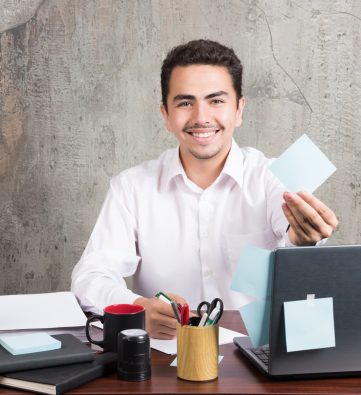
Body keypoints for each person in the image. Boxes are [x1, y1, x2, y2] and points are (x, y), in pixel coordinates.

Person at [71, 40, 338, 339]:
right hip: (163, 358)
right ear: (166, 115)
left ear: (239, 110)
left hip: (256, 352)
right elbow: (90, 276)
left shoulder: (272, 175)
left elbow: (294, 234)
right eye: (185, 103)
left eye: (216, 101)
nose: (200, 117)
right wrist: (135, 306)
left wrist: (302, 239)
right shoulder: (131, 187)